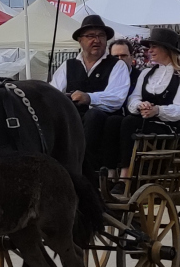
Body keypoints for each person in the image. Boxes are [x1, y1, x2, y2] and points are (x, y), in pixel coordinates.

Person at [50, 15, 130, 176]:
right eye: (90, 36)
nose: (97, 40)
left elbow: (117, 98)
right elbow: (53, 92)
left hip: (104, 121)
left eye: (101, 36)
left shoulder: (117, 65)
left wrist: (89, 98)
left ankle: (83, 166)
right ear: (80, 40)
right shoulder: (68, 65)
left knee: (94, 116)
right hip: (74, 116)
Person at [117, 28, 180, 179]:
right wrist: (140, 105)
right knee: (114, 121)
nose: (150, 51)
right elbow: (133, 98)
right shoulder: (146, 73)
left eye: (154, 47)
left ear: (167, 49)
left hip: (169, 128)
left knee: (129, 122)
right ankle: (110, 172)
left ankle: (125, 175)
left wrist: (157, 110)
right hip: (144, 122)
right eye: (149, 47)